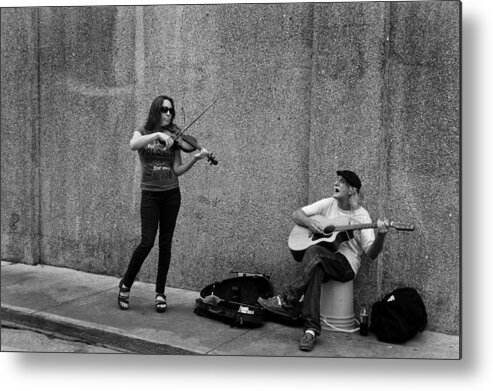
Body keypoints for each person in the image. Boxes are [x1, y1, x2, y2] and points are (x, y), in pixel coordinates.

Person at [258, 170, 389, 352]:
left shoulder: (362, 216)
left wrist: (381, 236)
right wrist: (310, 223)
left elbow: (372, 253)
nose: (336, 183)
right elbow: (297, 214)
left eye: (341, 182)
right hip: (322, 259)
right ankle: (310, 331)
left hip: (346, 266)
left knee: (315, 254)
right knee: (316, 266)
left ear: (352, 190)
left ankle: (287, 300)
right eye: (337, 180)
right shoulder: (329, 203)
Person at [118, 95, 209, 313]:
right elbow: (133, 145)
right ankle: (126, 284)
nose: (169, 114)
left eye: (171, 111)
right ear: (156, 110)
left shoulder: (175, 137)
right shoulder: (143, 131)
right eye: (164, 110)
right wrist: (157, 134)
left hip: (171, 195)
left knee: (165, 244)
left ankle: (160, 292)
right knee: (147, 241)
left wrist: (194, 159)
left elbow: (176, 169)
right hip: (150, 195)